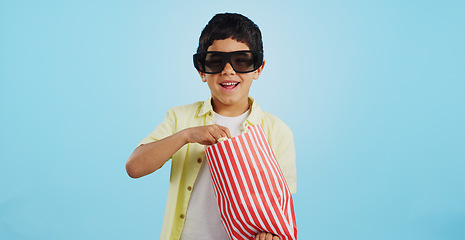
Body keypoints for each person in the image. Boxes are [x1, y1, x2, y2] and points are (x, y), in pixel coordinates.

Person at [126, 13, 296, 240]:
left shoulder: (277, 131)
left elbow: (280, 207)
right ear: (201, 69)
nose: (228, 70)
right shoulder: (180, 118)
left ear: (258, 68)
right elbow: (134, 167)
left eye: (241, 60)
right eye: (216, 61)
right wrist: (185, 136)